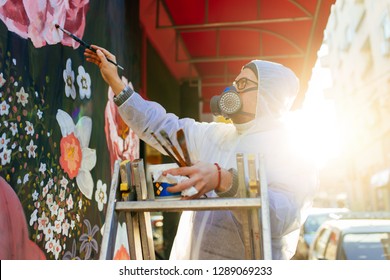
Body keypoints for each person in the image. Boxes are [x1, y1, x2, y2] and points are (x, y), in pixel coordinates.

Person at [84, 46, 318, 260]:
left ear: (268, 96)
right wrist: (115, 81)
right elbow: (161, 126)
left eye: (243, 85)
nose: (233, 90)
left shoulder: (292, 149)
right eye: (235, 83)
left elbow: (283, 217)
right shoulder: (217, 136)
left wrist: (226, 181)